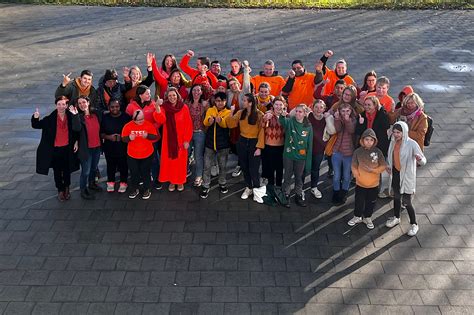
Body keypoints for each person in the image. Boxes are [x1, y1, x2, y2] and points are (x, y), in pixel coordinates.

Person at [31, 96, 79, 201]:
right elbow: (36, 125)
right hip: (55, 150)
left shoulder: (71, 117)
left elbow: (77, 130)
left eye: (63, 104)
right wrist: (35, 117)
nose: (61, 106)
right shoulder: (50, 119)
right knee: (57, 171)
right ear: (56, 105)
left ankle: (66, 188)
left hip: (67, 148)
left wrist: (76, 142)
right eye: (59, 104)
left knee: (67, 170)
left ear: (66, 106)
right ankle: (60, 190)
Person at [385, 121, 426, 236]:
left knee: (407, 201)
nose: (396, 134)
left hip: (407, 176)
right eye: (394, 132)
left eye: (398, 132)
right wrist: (389, 166)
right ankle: (396, 217)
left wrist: (419, 159)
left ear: (404, 132)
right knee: (397, 197)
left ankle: (414, 224)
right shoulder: (393, 142)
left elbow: (423, 160)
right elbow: (390, 156)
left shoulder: (412, 144)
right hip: (396, 174)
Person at [226, 89, 266, 203]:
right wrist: (231, 112)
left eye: (244, 100)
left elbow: (262, 132)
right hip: (242, 141)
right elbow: (231, 124)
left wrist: (259, 147)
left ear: (250, 103)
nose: (242, 102)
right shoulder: (240, 113)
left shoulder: (259, 114)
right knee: (244, 167)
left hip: (254, 142)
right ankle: (248, 187)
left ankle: (257, 189)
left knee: (254, 168)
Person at [153, 87, 193, 192]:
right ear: (167, 97)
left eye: (174, 95)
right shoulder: (164, 107)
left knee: (180, 163)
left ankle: (179, 181)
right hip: (169, 141)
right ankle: (171, 181)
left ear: (177, 96)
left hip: (181, 140)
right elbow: (160, 119)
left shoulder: (184, 107)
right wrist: (157, 106)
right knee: (170, 162)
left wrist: (186, 140)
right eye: (170, 95)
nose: (172, 97)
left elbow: (188, 125)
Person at [348, 129, 387, 229]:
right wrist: (356, 175)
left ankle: (367, 217)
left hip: (373, 184)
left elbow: (383, 165)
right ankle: (357, 216)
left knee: (371, 202)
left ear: (374, 141)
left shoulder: (378, 152)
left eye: (371, 140)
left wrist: (374, 171)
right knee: (359, 201)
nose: (369, 142)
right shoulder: (358, 152)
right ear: (362, 140)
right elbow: (354, 165)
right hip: (360, 184)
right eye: (366, 139)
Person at [126, 85, 163, 189]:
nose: (149, 95)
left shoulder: (153, 105)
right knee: (141, 159)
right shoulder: (131, 106)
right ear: (140, 95)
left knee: (154, 159)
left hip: (152, 138)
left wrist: (150, 128)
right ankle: (143, 177)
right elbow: (128, 122)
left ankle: (156, 178)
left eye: (149, 93)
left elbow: (159, 122)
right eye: (147, 93)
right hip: (138, 139)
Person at [355, 96, 391, 198]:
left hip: (379, 146)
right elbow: (358, 132)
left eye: (369, 105)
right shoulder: (362, 115)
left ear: (375, 105)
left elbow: (386, 125)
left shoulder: (381, 115)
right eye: (365, 105)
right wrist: (360, 123)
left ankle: (379, 188)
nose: (366, 107)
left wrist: (382, 111)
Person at [200, 92, 232, 198]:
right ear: (215, 101)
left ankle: (222, 183)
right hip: (210, 144)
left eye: (222, 101)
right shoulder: (210, 110)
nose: (220, 103)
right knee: (207, 166)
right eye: (218, 101)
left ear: (225, 101)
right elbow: (205, 122)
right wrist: (209, 120)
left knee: (223, 166)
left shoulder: (228, 112)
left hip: (223, 145)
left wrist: (220, 121)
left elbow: (227, 124)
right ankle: (205, 185)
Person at [121, 110, 158, 199]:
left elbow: (155, 136)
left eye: (142, 119)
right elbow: (123, 138)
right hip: (132, 154)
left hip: (147, 154)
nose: (140, 121)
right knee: (134, 172)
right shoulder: (128, 126)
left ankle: (147, 189)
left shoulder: (148, 124)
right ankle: (134, 188)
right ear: (133, 119)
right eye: (138, 120)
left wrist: (148, 136)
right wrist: (129, 138)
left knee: (145, 172)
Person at [71, 95, 102, 200]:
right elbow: (76, 128)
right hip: (86, 148)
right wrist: (75, 115)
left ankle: (92, 183)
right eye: (79, 103)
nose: (82, 105)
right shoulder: (78, 117)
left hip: (97, 146)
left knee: (94, 168)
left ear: (88, 102)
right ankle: (83, 190)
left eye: (84, 102)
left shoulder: (96, 114)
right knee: (86, 171)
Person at [100, 99, 130, 193]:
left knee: (123, 166)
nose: (114, 109)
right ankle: (111, 181)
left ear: (120, 106)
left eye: (116, 106)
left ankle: (123, 182)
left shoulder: (126, 117)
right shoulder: (105, 117)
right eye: (112, 107)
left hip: (123, 146)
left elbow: (131, 131)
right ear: (109, 107)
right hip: (109, 147)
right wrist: (109, 137)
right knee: (110, 165)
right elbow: (101, 133)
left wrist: (122, 137)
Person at [308, 100, 336, 199]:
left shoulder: (326, 119)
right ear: (312, 107)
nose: (318, 109)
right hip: (307, 148)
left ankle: (314, 187)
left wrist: (328, 118)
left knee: (315, 169)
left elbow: (332, 131)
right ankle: (300, 189)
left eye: (321, 107)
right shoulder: (308, 116)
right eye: (316, 107)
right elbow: (293, 114)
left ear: (324, 109)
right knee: (303, 169)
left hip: (319, 149)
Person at [331, 103, 357, 205]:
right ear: (339, 111)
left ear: (351, 111)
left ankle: (344, 192)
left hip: (348, 152)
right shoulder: (337, 118)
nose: (345, 113)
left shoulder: (353, 119)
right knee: (336, 175)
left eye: (347, 111)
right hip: (337, 150)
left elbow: (351, 130)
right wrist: (337, 119)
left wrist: (347, 120)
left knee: (346, 175)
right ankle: (336, 191)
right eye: (343, 111)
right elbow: (337, 130)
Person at [261, 96, 286, 198]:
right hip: (269, 145)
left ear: (284, 106)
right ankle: (271, 188)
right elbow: (263, 125)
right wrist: (265, 119)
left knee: (279, 168)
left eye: (280, 104)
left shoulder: (286, 116)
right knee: (270, 168)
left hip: (281, 146)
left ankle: (279, 187)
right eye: (276, 104)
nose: (278, 106)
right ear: (273, 105)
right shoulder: (268, 114)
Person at [186, 84, 209, 186]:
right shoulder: (187, 103)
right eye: (194, 90)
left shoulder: (204, 104)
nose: (196, 92)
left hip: (199, 132)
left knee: (198, 155)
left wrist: (205, 107)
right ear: (191, 92)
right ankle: (185, 171)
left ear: (201, 92)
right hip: (188, 132)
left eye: (198, 90)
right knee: (186, 153)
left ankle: (199, 176)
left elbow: (209, 117)